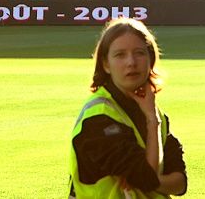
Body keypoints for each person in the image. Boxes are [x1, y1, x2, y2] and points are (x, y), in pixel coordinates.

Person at [68, 18, 187, 198]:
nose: (131, 62)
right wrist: (151, 122)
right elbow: (147, 177)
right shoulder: (98, 117)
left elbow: (180, 184)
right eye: (120, 55)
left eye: (139, 53)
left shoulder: (156, 114)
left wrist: (152, 182)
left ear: (150, 59)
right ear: (106, 64)